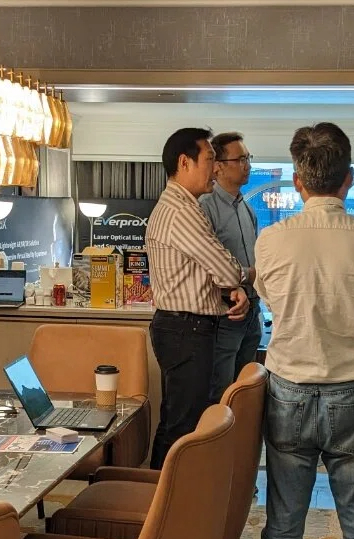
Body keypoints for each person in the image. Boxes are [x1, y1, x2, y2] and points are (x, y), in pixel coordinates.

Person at [255, 122, 354, 539]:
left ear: (297, 180)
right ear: (348, 179)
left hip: (288, 391)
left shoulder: (270, 240)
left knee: (282, 523)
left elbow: (271, 304)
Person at [146, 127, 249, 470]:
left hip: (185, 327)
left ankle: (162, 494)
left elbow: (213, 272)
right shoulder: (181, 211)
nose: (215, 168)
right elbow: (227, 269)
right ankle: (165, 497)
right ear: (184, 162)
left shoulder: (184, 206)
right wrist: (239, 279)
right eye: (209, 159)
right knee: (183, 425)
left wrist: (230, 286)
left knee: (180, 420)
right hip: (185, 329)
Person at [199, 132, 261, 403]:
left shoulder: (247, 209)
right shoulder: (204, 207)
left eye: (248, 158)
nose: (247, 165)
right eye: (241, 159)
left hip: (252, 308)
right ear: (218, 166)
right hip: (226, 311)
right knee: (221, 392)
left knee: (246, 391)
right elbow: (206, 264)